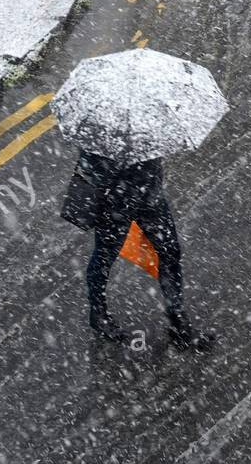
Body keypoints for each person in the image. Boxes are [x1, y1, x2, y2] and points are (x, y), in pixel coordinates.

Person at [75, 150, 214, 351]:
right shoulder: (101, 129)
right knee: (104, 256)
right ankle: (98, 314)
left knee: (170, 252)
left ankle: (178, 319)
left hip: (150, 196)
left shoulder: (146, 121)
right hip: (116, 203)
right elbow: (89, 164)